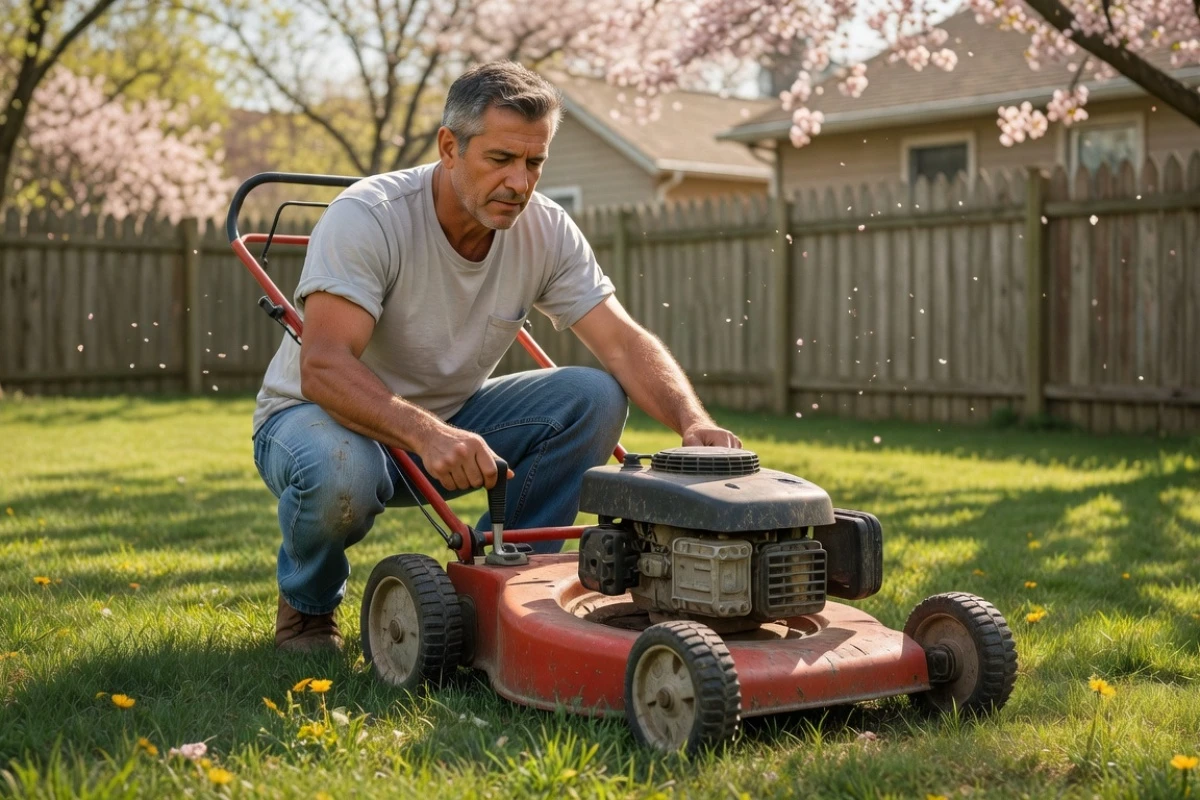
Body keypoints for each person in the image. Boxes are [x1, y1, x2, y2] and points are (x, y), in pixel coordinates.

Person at [252, 61, 741, 653]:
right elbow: (324, 367)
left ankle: (503, 588)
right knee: (342, 472)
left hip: (451, 427)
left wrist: (693, 421)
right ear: (450, 146)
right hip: (317, 419)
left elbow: (622, 340)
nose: (519, 182)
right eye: (501, 159)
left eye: (535, 163)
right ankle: (307, 606)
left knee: (592, 395)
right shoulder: (369, 216)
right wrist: (428, 436)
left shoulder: (545, 230)